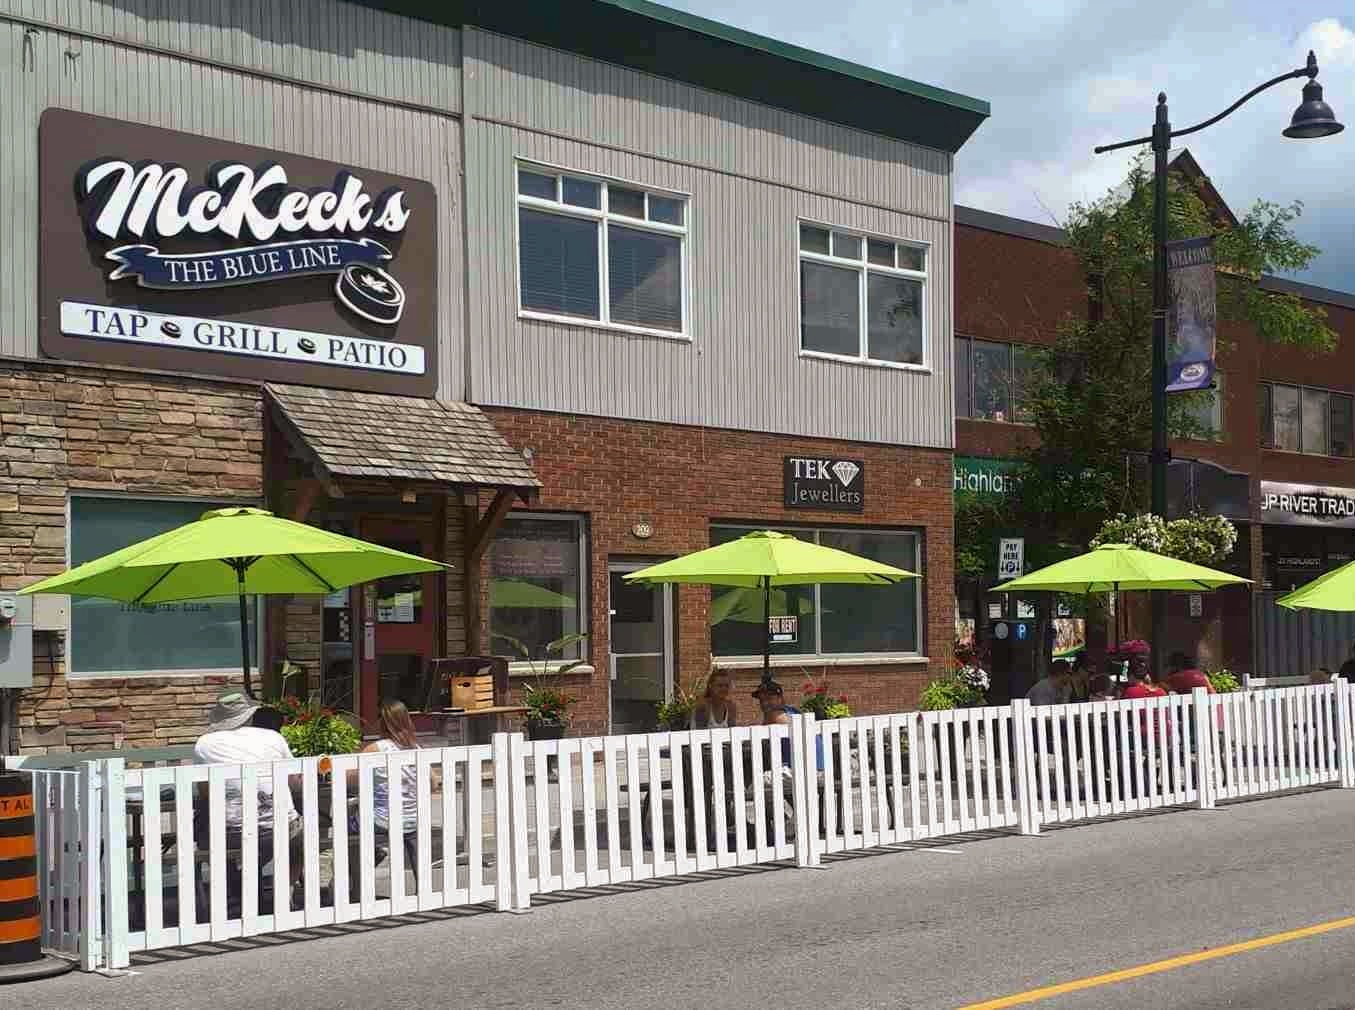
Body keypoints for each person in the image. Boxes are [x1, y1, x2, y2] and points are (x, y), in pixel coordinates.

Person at [193, 692, 305, 901]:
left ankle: (235, 888)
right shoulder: (273, 737)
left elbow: (206, 793)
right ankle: (285, 891)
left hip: (230, 833)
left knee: (209, 829)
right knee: (301, 835)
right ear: (249, 715)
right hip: (279, 829)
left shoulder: (205, 743)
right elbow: (295, 783)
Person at [347, 700, 436, 898]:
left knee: (344, 830)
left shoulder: (375, 749)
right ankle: (423, 889)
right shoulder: (417, 749)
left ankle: (355, 885)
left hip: (380, 820)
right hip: (412, 818)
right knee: (412, 833)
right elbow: (433, 783)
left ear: (384, 722)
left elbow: (350, 777)